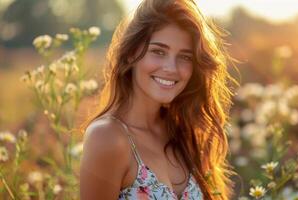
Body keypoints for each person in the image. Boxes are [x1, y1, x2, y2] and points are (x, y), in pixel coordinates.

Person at [80, 0, 237, 199]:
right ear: (130, 54)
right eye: (158, 52)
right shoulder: (107, 137)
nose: (171, 68)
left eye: (185, 57)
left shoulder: (184, 132)